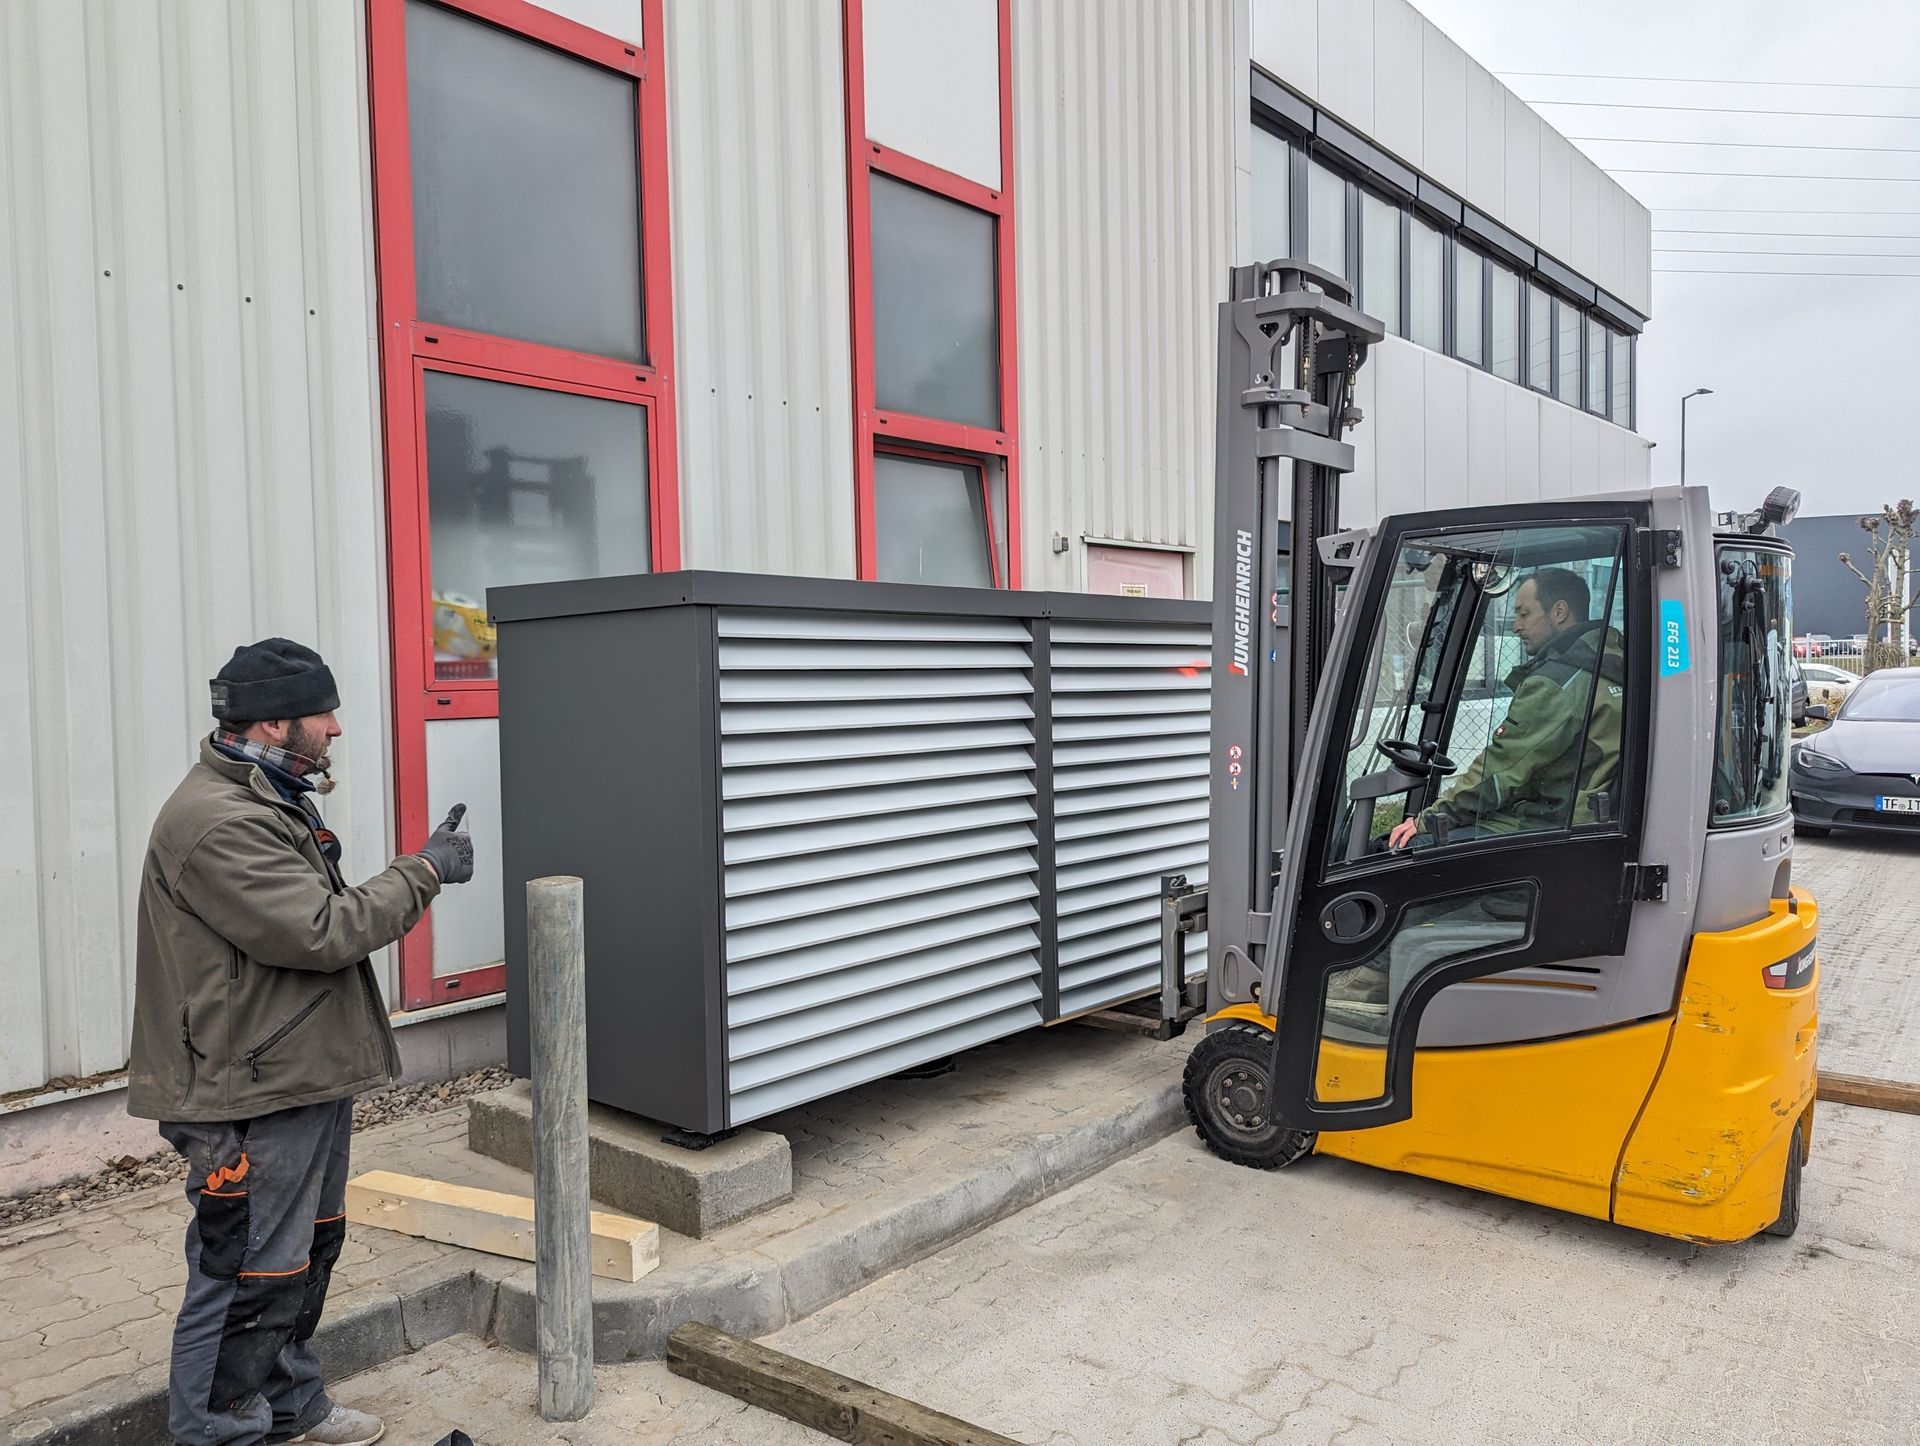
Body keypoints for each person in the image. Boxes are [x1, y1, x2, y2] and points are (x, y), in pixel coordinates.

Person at [128, 639, 475, 1446]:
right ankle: (220, 1430)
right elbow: (321, 931)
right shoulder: (216, 824)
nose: (337, 729)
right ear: (276, 724)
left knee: (300, 1258)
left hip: (293, 1072)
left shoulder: (267, 795)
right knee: (246, 1274)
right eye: (325, 713)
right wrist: (422, 870)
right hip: (245, 1091)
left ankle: (288, 1407)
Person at [1326, 569, 1625, 1037]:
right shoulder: (1609, 662)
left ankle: (1366, 981)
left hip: (1556, 827)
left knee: (1406, 858)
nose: (1518, 626)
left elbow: (1503, 769)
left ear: (1560, 612)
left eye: (1525, 613)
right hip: (1571, 818)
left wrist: (1429, 818)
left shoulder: (1564, 679)